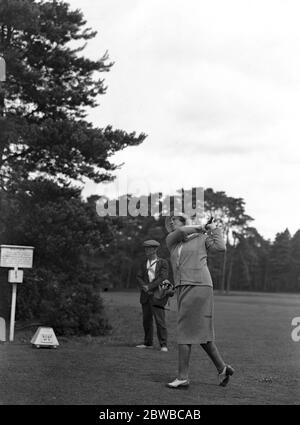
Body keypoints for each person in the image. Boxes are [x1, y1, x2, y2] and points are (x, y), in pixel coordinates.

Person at [165, 215, 234, 388]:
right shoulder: (172, 241)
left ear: (184, 221)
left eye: (175, 219)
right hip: (183, 287)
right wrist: (202, 227)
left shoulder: (201, 238)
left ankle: (183, 377)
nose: (171, 222)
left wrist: (213, 228)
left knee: (184, 332)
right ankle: (222, 369)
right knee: (201, 334)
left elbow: (220, 247)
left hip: (200, 285)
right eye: (170, 221)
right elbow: (181, 232)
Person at [136, 240, 170, 352]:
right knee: (146, 321)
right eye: (145, 248)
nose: (146, 250)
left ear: (155, 249)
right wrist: (144, 287)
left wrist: (149, 287)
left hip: (158, 296)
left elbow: (162, 277)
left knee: (160, 321)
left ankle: (163, 345)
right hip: (145, 296)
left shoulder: (163, 262)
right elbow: (138, 277)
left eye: (149, 248)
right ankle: (148, 343)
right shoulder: (142, 263)